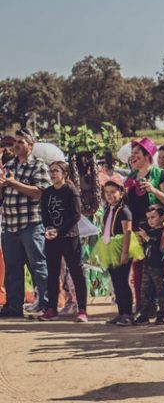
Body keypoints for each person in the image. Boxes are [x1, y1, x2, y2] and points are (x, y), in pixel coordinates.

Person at [0, 128, 52, 317]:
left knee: (37, 265)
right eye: (15, 142)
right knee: (13, 268)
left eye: (21, 142)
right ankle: (14, 305)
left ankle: (47, 303)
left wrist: (14, 183)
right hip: (10, 223)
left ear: (31, 145)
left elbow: (41, 193)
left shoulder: (39, 165)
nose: (16, 145)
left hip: (31, 222)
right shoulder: (9, 165)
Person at [124, 138, 164, 319]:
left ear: (147, 156)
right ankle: (144, 308)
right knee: (139, 269)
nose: (133, 157)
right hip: (138, 227)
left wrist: (153, 190)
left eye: (137, 154)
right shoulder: (131, 177)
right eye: (132, 154)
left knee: (159, 270)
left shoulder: (159, 174)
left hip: (157, 228)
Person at [39, 161, 87, 322]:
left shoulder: (70, 191)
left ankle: (82, 309)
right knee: (52, 273)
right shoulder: (47, 193)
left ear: (64, 173)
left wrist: (59, 231)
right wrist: (49, 229)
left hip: (69, 237)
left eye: (56, 171)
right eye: (50, 171)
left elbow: (75, 215)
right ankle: (52, 308)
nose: (52, 174)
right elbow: (45, 214)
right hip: (52, 237)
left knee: (76, 272)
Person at [91, 181, 144, 326]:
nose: (110, 195)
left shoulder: (124, 210)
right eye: (107, 192)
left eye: (113, 192)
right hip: (109, 247)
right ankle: (120, 313)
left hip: (121, 248)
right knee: (115, 281)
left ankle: (128, 314)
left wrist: (125, 253)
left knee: (122, 281)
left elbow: (127, 232)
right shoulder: (108, 209)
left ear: (121, 193)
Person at [134, 205, 164, 326]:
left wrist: (147, 238)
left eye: (153, 217)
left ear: (162, 217)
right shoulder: (149, 230)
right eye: (148, 218)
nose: (150, 220)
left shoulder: (163, 232)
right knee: (144, 291)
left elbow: (160, 248)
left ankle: (163, 314)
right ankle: (144, 314)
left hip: (158, 267)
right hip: (147, 265)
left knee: (161, 292)